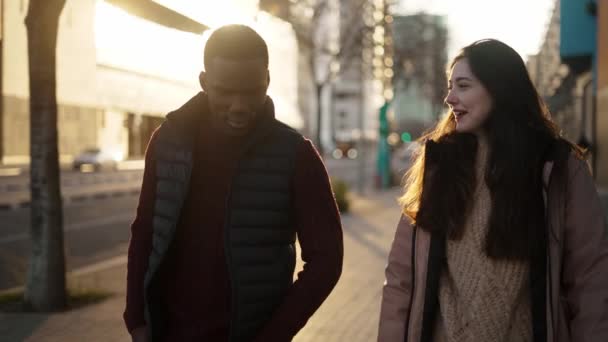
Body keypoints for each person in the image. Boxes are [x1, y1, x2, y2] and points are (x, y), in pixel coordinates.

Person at [124, 24, 344, 342]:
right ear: (204, 83)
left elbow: (327, 259)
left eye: (251, 91)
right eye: (226, 92)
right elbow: (145, 231)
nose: (239, 105)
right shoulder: (168, 142)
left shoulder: (296, 155)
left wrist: (273, 335)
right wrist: (137, 321)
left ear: (267, 81)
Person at [378, 39, 608, 342]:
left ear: (499, 89)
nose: (449, 98)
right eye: (450, 86)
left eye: (462, 85)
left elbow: (589, 278)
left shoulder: (558, 168)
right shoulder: (439, 165)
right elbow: (401, 279)